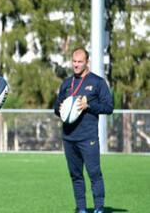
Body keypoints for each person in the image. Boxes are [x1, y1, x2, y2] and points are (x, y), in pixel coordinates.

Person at [54, 47, 113, 213]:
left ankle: (99, 208)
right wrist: (60, 108)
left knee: (94, 173)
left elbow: (108, 107)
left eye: (80, 62)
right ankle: (81, 208)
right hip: (69, 137)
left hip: (88, 137)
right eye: (74, 61)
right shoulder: (66, 84)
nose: (76, 65)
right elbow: (56, 107)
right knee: (76, 176)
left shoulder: (97, 82)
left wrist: (89, 106)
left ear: (87, 62)